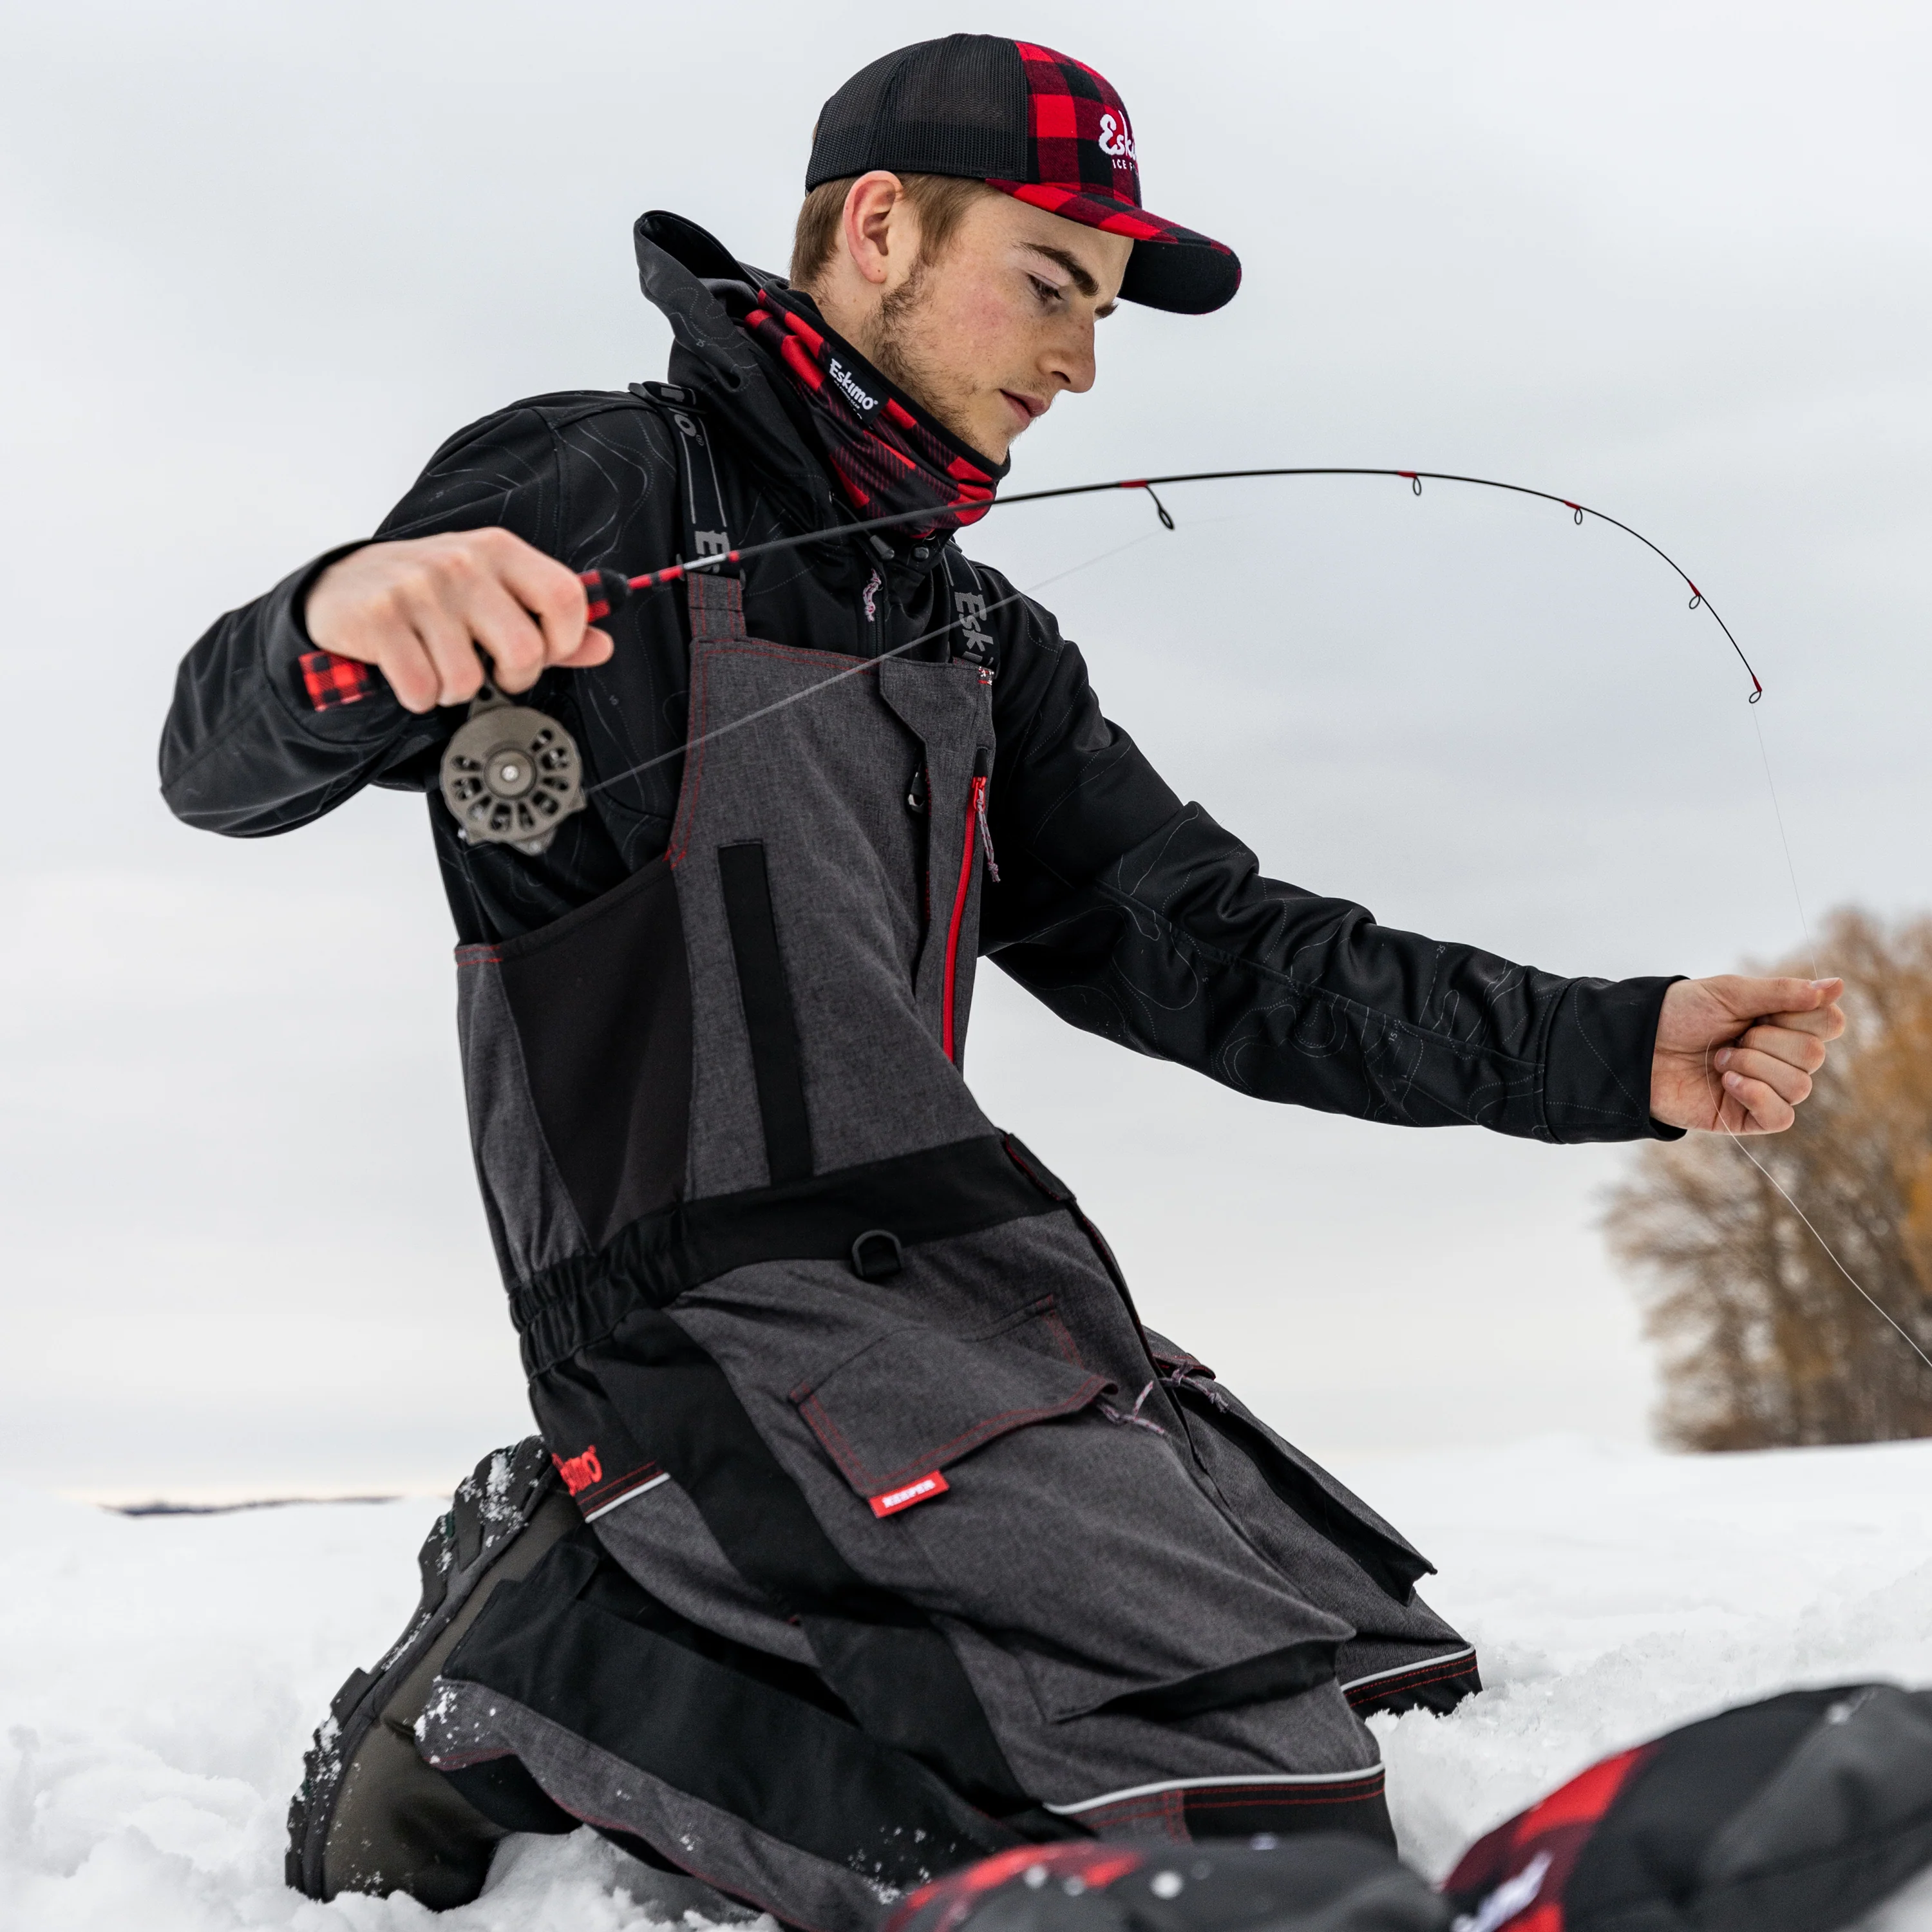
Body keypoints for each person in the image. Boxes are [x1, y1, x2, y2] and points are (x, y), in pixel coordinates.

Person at [161, 34, 1845, 1932]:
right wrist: (332, 626)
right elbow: (214, 758)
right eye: (1055, 284)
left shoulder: (974, 623)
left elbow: (1221, 952)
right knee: (1203, 1839)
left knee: (1380, 1691)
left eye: (1107, 310)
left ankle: (658, 1603)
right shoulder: (600, 489)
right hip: (693, 1320)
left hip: (985, 1296)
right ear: (878, 229)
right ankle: (543, 1654)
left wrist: (1613, 1047)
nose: (1082, 362)